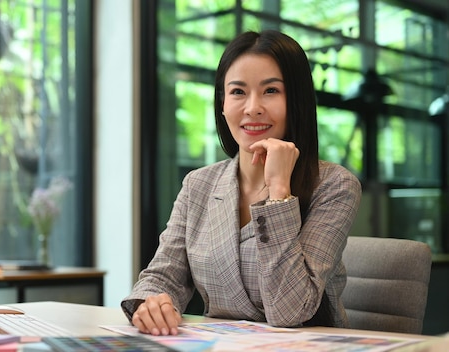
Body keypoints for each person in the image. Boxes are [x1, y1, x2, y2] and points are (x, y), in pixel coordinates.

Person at [121, 30, 362, 336]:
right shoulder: (199, 184)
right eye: (237, 92)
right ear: (222, 104)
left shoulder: (334, 185)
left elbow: (290, 310)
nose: (252, 107)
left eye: (271, 91)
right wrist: (151, 303)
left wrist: (279, 192)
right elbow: (164, 275)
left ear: (297, 100)